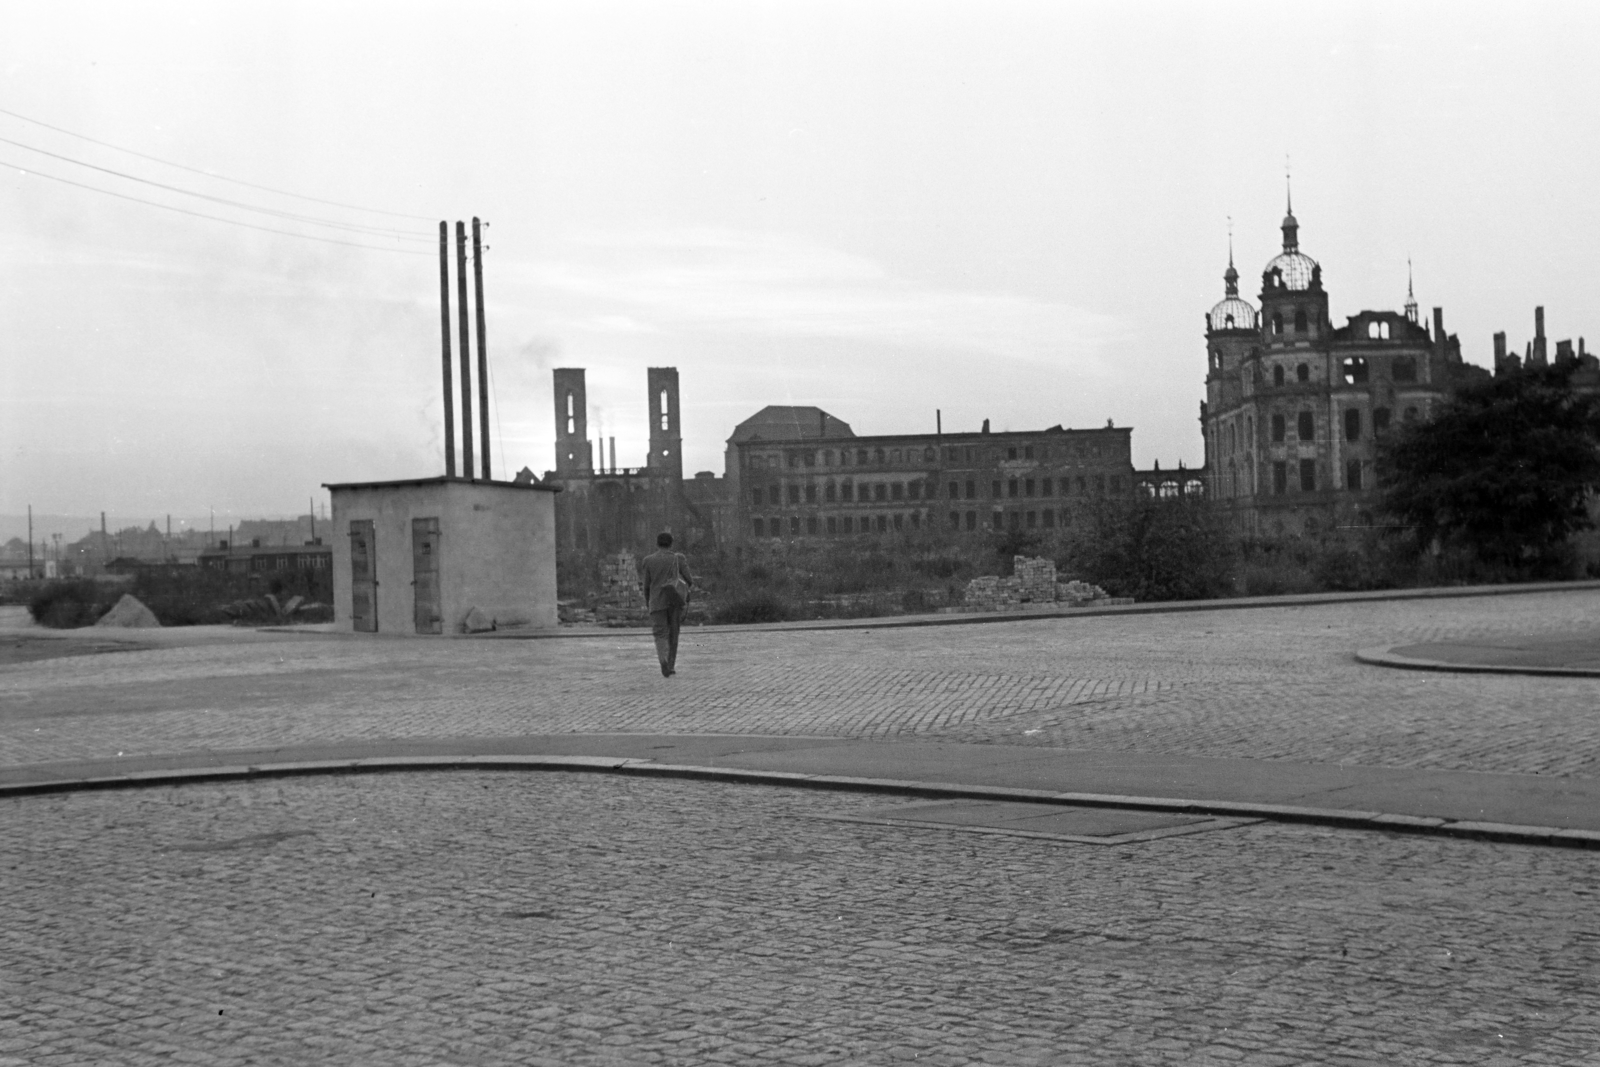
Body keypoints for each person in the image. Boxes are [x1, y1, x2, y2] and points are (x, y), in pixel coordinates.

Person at [638, 532, 693, 677]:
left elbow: (646, 586)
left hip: (656, 601)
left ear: (657, 544)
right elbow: (689, 579)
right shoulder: (678, 558)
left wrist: (648, 601)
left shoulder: (648, 560)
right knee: (673, 634)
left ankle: (662, 659)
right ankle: (670, 665)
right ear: (671, 544)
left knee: (660, 634)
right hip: (674, 601)